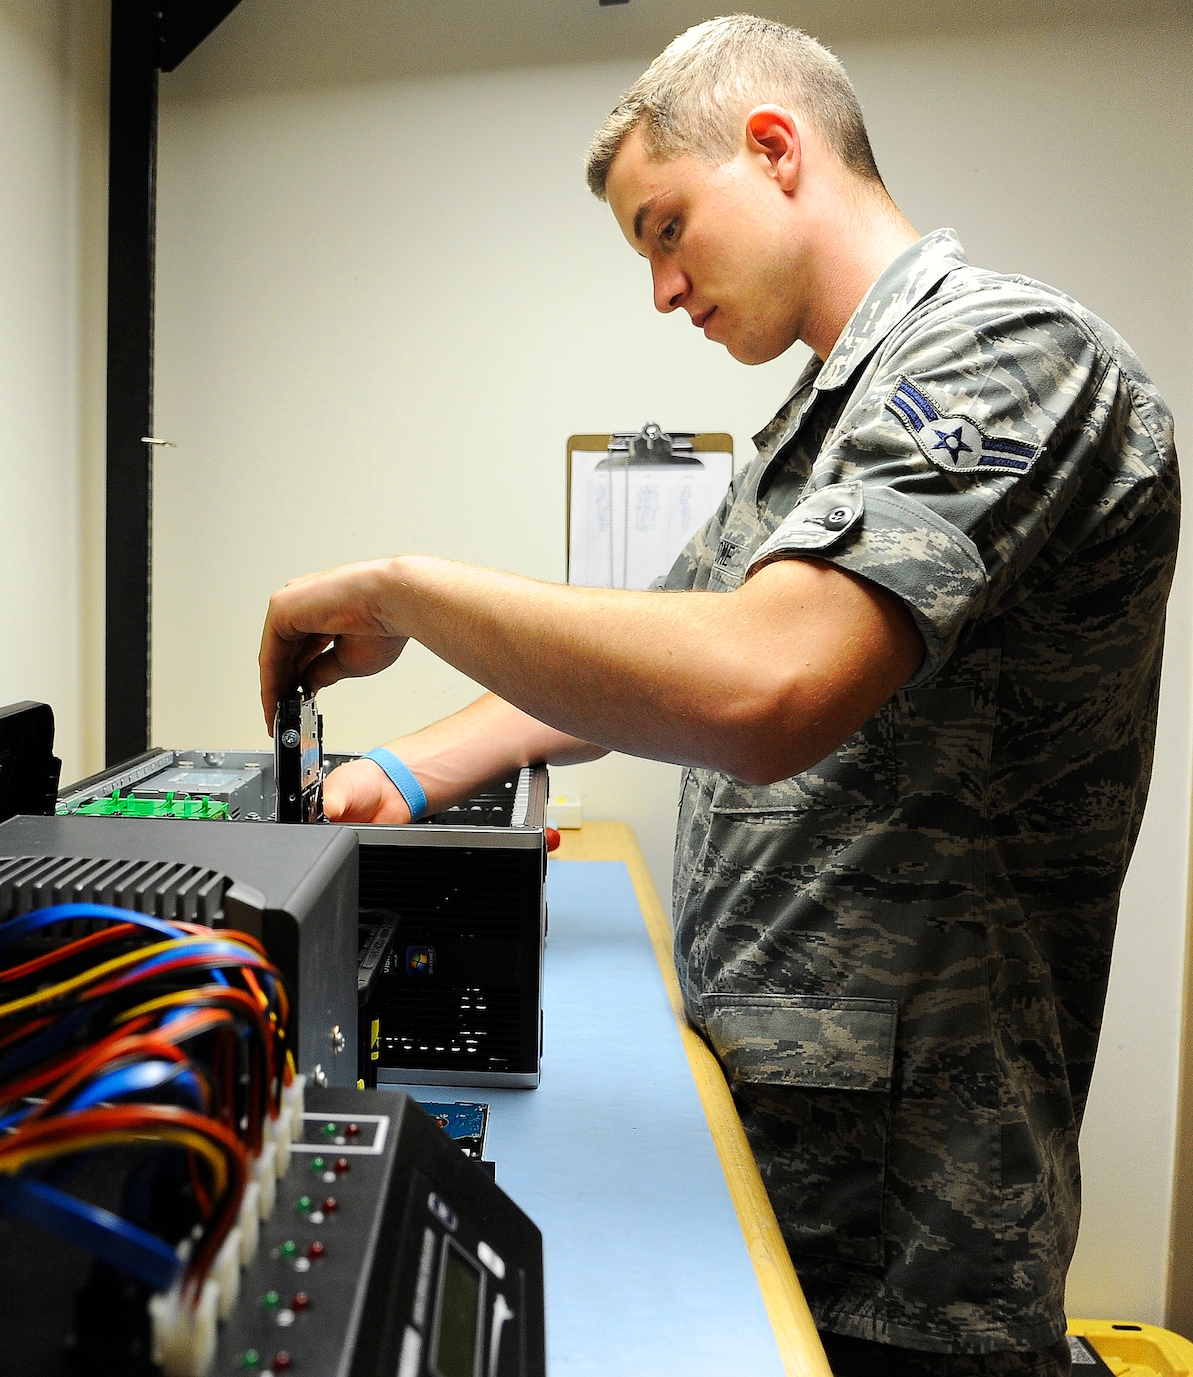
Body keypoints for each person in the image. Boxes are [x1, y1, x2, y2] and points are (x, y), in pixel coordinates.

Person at [257, 15, 1179, 1377]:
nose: (662, 289)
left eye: (666, 227)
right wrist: (401, 775)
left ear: (775, 147)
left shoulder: (1014, 358)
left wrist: (406, 591)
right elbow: (652, 664)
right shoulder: (821, 433)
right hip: (785, 1144)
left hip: (911, 1221)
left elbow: (762, 687)